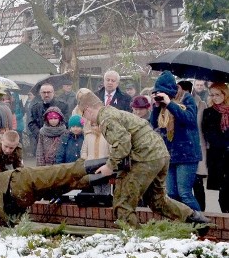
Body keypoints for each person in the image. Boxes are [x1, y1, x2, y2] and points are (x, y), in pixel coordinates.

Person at [77, 88, 209, 228]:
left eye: (84, 114)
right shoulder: (114, 113)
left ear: (88, 109)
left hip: (144, 157)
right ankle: (195, 218)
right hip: (159, 155)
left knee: (123, 204)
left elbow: (122, 143)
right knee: (157, 201)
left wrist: (110, 166)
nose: (86, 119)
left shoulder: (106, 119)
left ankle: (135, 241)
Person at [0, 158, 112, 226]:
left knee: (67, 182)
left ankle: (110, 171)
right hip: (19, 182)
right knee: (62, 173)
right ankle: (110, 164)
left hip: (19, 198)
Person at [150, 71, 202, 212]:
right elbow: (153, 125)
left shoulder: (186, 99)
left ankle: (201, 223)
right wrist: (156, 106)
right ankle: (180, 223)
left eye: (163, 92)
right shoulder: (160, 106)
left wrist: (169, 104)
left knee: (184, 193)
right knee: (171, 194)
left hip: (187, 154)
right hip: (169, 154)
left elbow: (189, 119)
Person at [179, 80, 208, 211]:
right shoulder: (174, 104)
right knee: (181, 187)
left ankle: (200, 214)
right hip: (180, 149)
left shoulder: (201, 104)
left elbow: (204, 127)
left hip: (196, 146)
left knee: (197, 184)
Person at [202, 82, 229, 212]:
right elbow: (209, 134)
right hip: (218, 156)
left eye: (217, 94)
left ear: (225, 94)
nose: (214, 97)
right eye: (212, 95)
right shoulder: (209, 112)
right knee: (223, 191)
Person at [28, 84, 67, 156]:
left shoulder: (62, 105)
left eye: (48, 92)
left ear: (53, 93)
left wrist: (58, 133)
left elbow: (66, 121)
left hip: (59, 141)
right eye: (44, 92)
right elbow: (31, 123)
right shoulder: (35, 107)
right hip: (42, 142)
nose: (46, 95)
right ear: (40, 94)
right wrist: (39, 134)